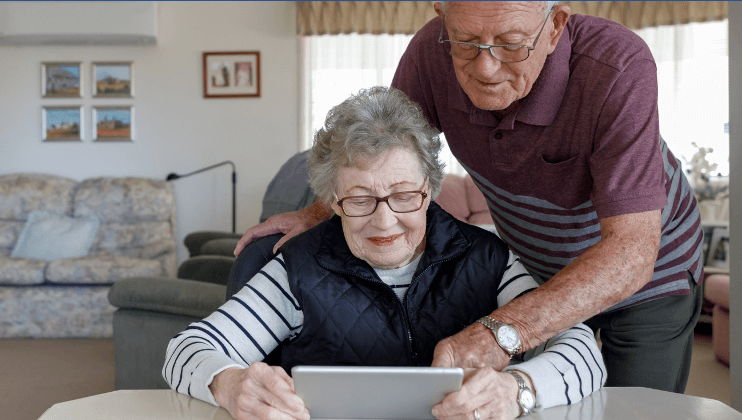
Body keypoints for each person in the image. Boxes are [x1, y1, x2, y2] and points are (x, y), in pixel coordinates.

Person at [235, 1, 702, 393]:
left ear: (555, 25)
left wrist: (500, 334)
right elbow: (377, 151)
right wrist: (320, 211)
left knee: (636, 408)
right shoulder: (429, 52)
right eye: (466, 42)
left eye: (511, 44)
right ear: (443, 19)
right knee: (540, 398)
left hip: (647, 274)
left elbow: (633, 250)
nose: (484, 67)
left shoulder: (618, 67)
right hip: (540, 271)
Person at [165, 86, 605, 420]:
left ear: (430, 190)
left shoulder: (488, 259)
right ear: (332, 200)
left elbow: (584, 353)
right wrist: (229, 382)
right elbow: (187, 349)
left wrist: (517, 390)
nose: (384, 220)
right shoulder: (296, 269)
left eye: (403, 195)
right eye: (359, 199)